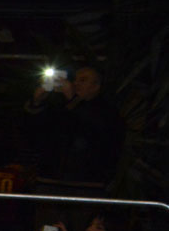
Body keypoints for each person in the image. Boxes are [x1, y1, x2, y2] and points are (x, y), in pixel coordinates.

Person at [24, 65, 124, 195]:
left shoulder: (107, 111)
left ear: (96, 86)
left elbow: (95, 131)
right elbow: (33, 133)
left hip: (87, 186)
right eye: (75, 80)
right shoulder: (60, 107)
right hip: (50, 183)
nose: (76, 83)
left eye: (83, 80)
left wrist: (72, 100)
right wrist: (37, 103)